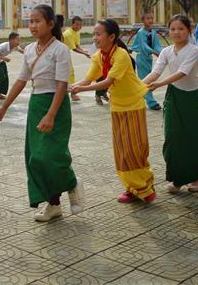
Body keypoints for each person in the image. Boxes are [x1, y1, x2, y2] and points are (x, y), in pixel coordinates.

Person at [0, 5, 83, 221]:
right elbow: (21, 81)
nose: (32, 26)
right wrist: (3, 107)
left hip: (56, 106)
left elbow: (62, 84)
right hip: (36, 104)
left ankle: (72, 183)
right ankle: (53, 204)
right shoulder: (30, 50)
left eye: (37, 21)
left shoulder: (60, 49)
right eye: (30, 21)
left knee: (51, 155)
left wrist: (51, 114)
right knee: (35, 158)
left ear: (51, 24)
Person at [71, 19, 155, 204]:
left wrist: (79, 90)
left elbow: (108, 82)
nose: (95, 37)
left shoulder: (122, 55)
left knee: (135, 148)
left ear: (111, 36)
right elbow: (88, 79)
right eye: (94, 34)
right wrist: (71, 87)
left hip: (133, 105)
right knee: (122, 150)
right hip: (117, 106)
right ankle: (132, 188)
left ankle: (145, 187)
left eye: (98, 34)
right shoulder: (99, 56)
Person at [143, 15, 198, 193]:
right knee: (173, 136)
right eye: (173, 29)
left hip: (192, 98)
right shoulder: (166, 51)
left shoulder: (194, 50)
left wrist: (159, 84)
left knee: (195, 136)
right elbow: (155, 72)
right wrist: (139, 86)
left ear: (189, 30)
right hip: (173, 96)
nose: (176, 32)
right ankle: (178, 179)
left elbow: (182, 73)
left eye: (181, 28)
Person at [130, 12, 163, 111]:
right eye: (148, 18)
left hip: (149, 58)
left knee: (145, 79)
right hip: (142, 57)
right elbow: (144, 46)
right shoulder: (141, 32)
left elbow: (157, 45)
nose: (150, 20)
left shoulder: (153, 32)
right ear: (143, 21)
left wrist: (161, 53)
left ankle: (136, 97)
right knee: (146, 79)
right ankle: (151, 102)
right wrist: (154, 52)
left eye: (151, 18)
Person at [62, 16, 90, 102]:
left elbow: (77, 46)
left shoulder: (77, 32)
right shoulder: (68, 34)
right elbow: (74, 48)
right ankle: (71, 93)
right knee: (68, 73)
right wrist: (85, 53)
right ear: (72, 24)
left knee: (70, 73)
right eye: (77, 25)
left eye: (81, 25)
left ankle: (71, 92)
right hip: (61, 54)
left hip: (66, 54)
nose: (79, 27)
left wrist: (85, 51)